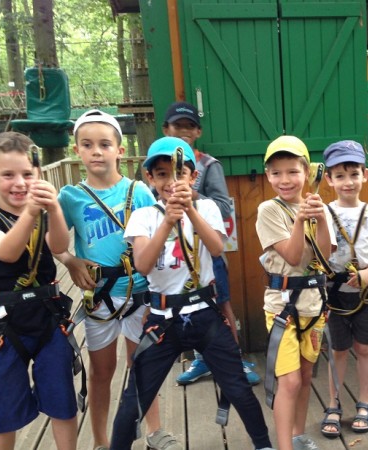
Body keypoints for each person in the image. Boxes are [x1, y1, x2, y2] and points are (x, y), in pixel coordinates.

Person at [110, 136, 274, 450]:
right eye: (161, 174)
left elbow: (216, 247)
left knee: (238, 387)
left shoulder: (207, 207)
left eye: (179, 173)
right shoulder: (144, 217)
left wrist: (190, 213)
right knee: (135, 397)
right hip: (162, 322)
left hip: (205, 315)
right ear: (150, 178)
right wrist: (167, 220)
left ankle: (263, 444)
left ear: (192, 176)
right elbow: (143, 265)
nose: (171, 181)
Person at [56, 110, 180, 450]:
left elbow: (157, 235)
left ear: (119, 151)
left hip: (138, 294)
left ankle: (154, 431)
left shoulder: (138, 192)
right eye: (88, 144)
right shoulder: (70, 197)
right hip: (100, 299)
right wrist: (68, 260)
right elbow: (53, 241)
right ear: (77, 150)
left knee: (144, 367)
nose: (96, 151)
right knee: (101, 372)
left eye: (104, 144)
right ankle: (100, 440)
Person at [0, 131, 78, 450]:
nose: (19, 183)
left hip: (47, 320)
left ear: (38, 175)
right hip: (3, 327)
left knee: (62, 403)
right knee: (4, 410)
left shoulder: (43, 214)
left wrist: (54, 209)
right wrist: (30, 213)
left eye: (27, 175)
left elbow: (58, 245)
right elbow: (6, 251)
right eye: (8, 175)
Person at [162, 101, 261, 386]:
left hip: (207, 251)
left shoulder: (207, 165)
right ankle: (202, 361)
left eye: (189, 126)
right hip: (174, 255)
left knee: (222, 305)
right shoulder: (158, 164)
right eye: (177, 126)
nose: (183, 131)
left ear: (198, 131)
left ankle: (235, 359)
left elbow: (223, 207)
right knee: (189, 307)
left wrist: (190, 196)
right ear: (165, 129)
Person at [256, 135, 336, 450]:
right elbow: (292, 256)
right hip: (282, 309)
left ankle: (298, 436)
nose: (285, 180)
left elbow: (325, 257)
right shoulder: (268, 210)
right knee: (287, 382)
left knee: (304, 379)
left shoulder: (320, 208)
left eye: (292, 171)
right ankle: (285, 446)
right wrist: (302, 219)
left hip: (313, 306)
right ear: (268, 176)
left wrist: (321, 219)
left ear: (307, 171)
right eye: (276, 173)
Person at [320, 140, 368, 437]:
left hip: (367, 293)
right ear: (329, 180)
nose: (348, 182)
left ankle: (365, 401)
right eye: (340, 176)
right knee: (338, 350)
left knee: (364, 348)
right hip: (335, 292)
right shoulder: (324, 213)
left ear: (365, 175)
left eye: (354, 174)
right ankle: (333, 402)